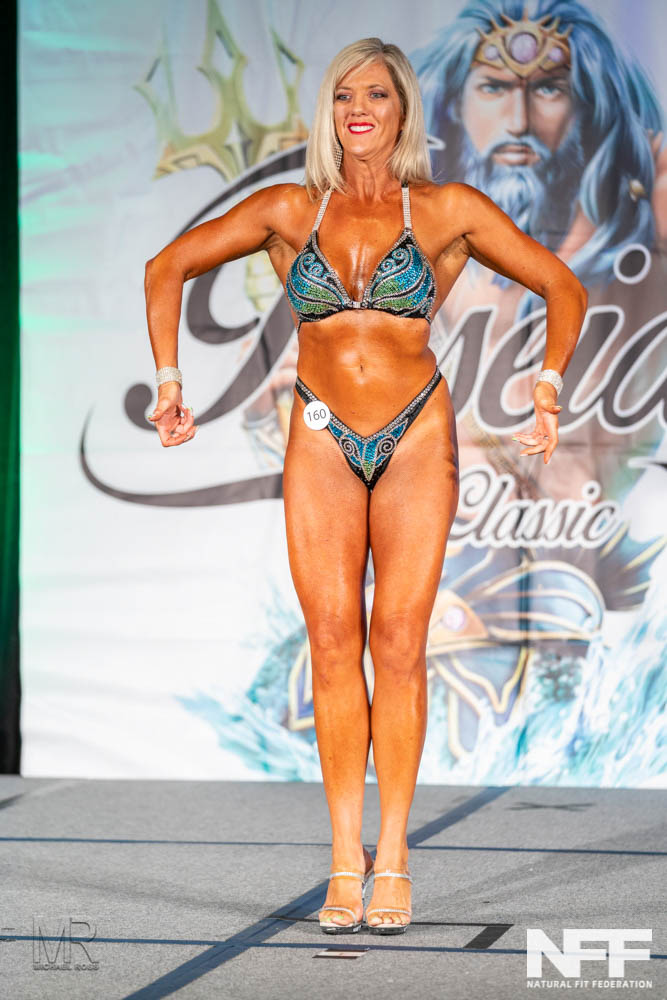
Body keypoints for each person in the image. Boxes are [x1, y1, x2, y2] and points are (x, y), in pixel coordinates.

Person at [143, 37, 586, 935]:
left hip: (415, 433)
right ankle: (346, 861)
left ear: (401, 110)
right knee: (332, 639)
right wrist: (169, 383)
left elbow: (559, 285)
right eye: (345, 94)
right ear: (329, 111)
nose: (358, 109)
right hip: (320, 437)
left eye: (376, 94)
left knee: (399, 643)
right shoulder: (287, 208)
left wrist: (546, 388)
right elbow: (166, 268)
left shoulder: (447, 209)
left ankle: (395, 858)